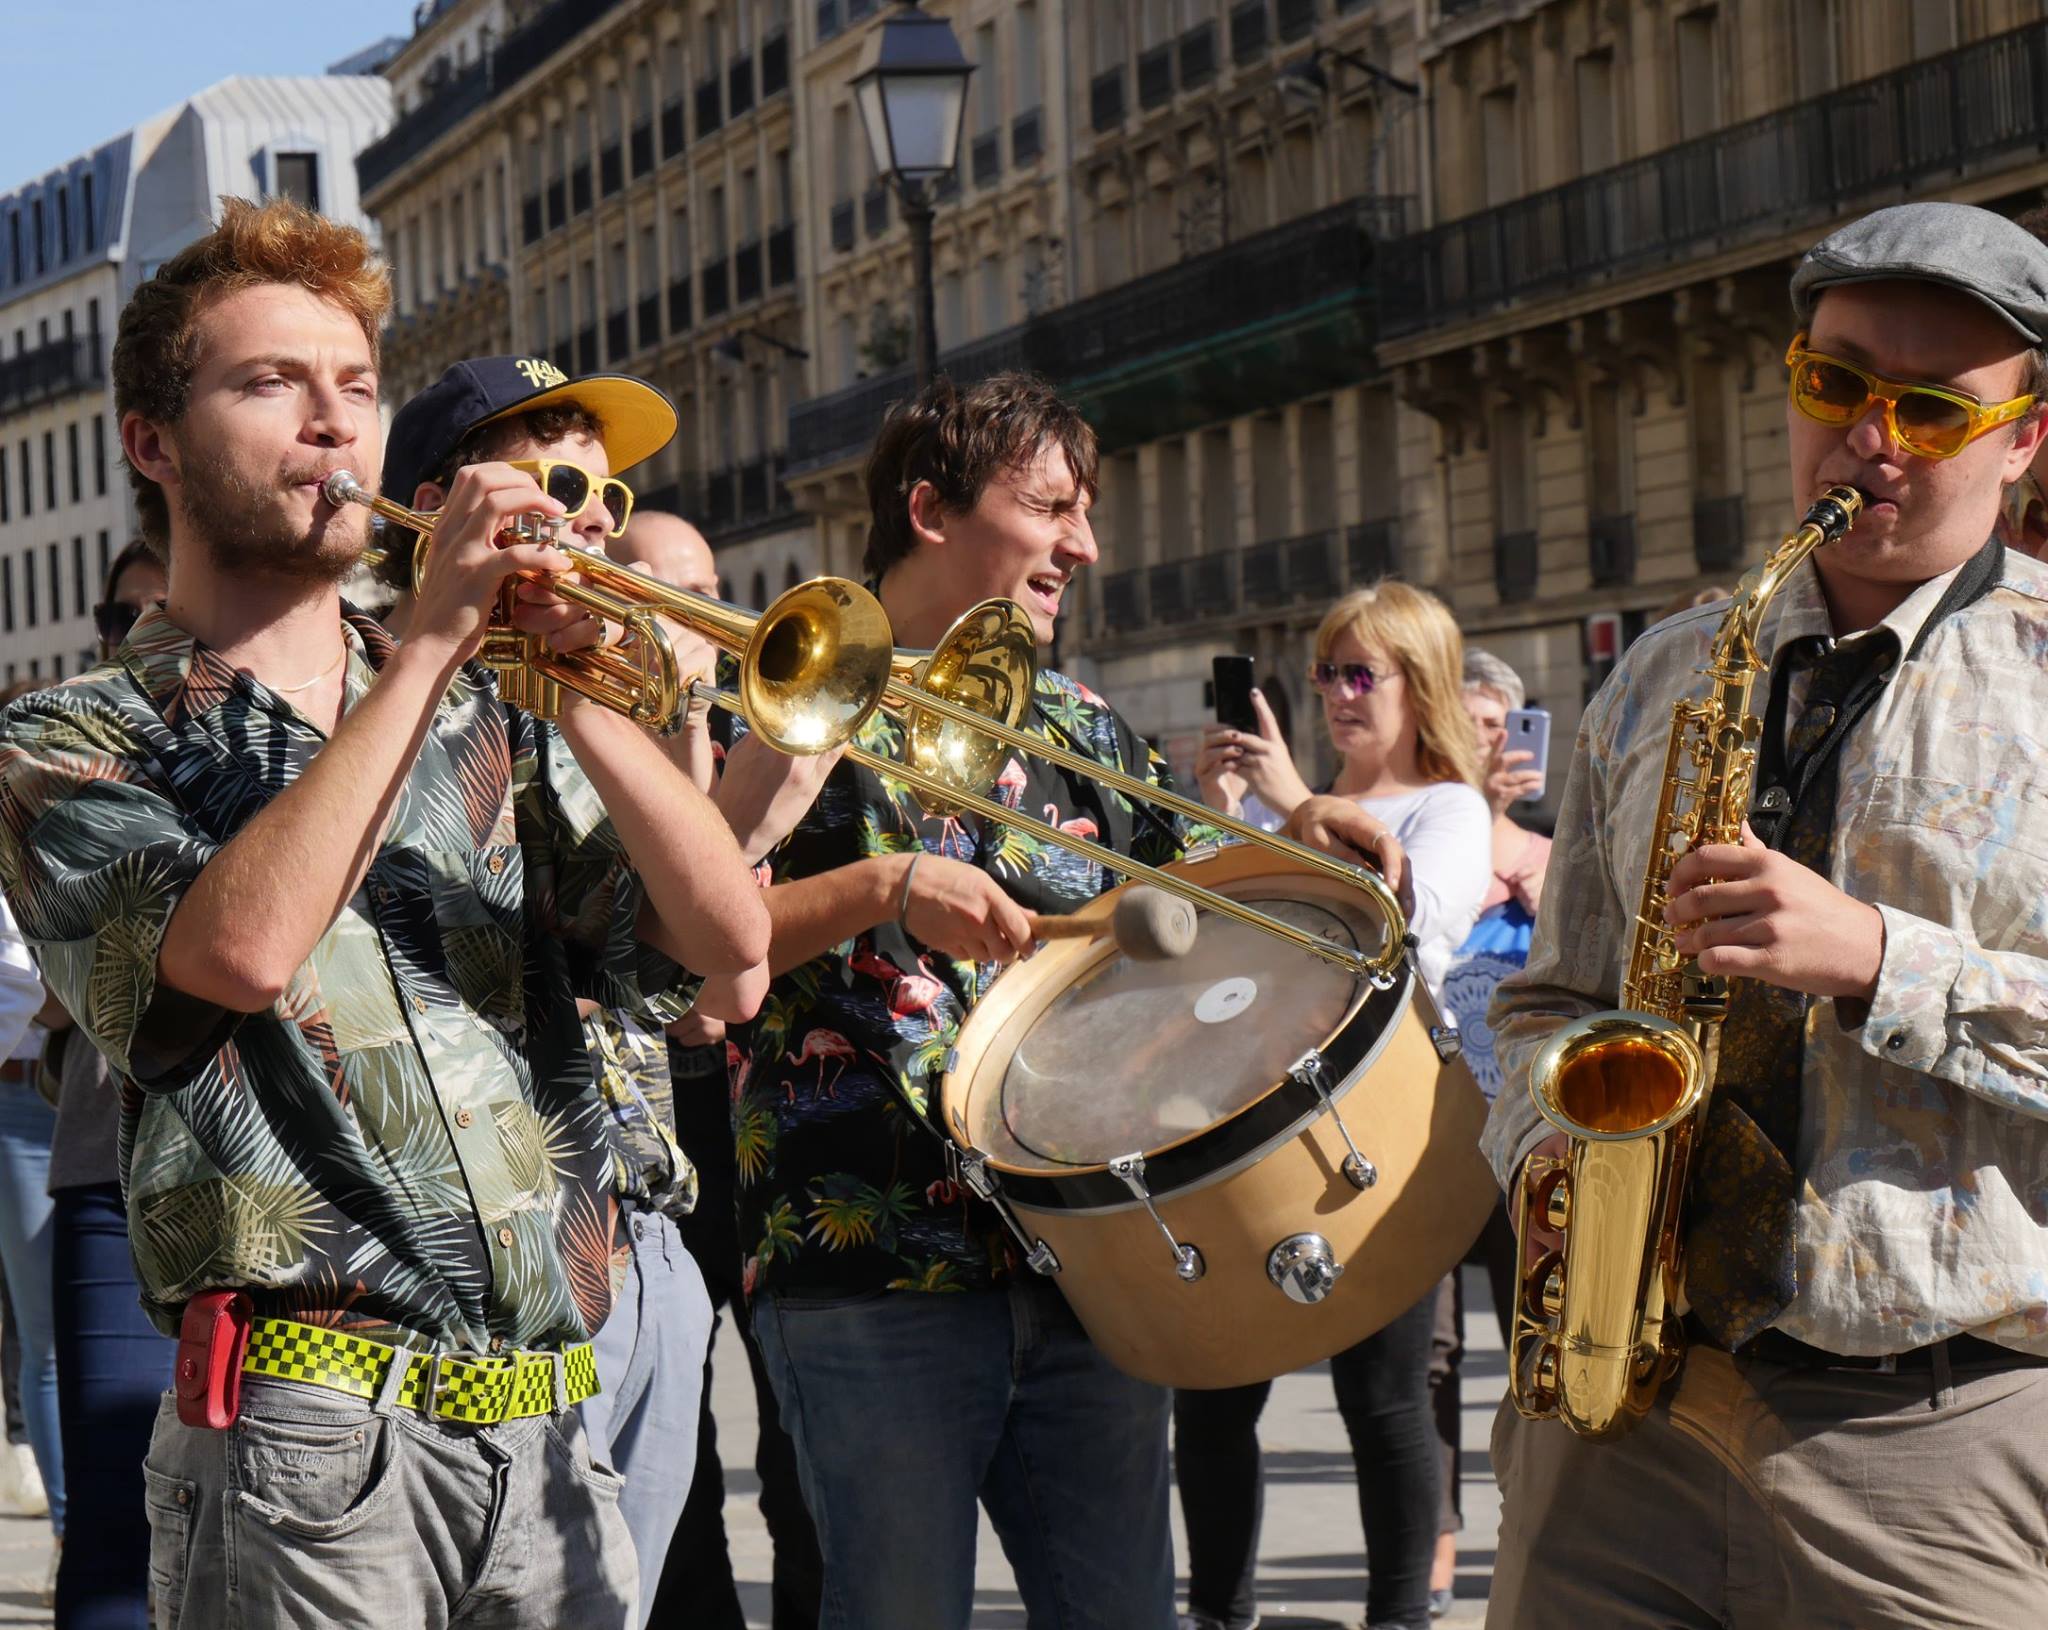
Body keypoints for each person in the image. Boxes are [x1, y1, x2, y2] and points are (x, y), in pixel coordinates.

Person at [0, 198, 770, 1630]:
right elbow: (234, 952)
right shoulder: (75, 735)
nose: (331, 426)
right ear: (149, 443)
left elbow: (729, 946)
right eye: (270, 383)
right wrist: (423, 651)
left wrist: (587, 692)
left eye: (355, 387)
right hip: (307, 1442)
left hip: (548, 1428)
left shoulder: (490, 701)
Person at [1485, 200, 2048, 1629]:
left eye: (1932, 407)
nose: (1873, 437)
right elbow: (1545, 1000)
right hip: (1620, 1412)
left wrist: (1878, 958)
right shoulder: (1669, 667)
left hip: (1935, 1438)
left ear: (2027, 437)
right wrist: (1554, 1155)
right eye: (1836, 383)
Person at [730, 370, 1243, 1630]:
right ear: (929, 510)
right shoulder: (776, 694)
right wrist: (877, 885)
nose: (1085, 543)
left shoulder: (1086, 726)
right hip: (872, 1269)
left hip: (1087, 1260)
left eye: (1086, 510)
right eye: (1052, 506)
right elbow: (698, 956)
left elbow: (1193, 952)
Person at [372, 360, 754, 1630]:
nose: (600, 518)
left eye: (611, 487)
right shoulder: (371, 697)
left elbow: (717, 957)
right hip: (483, 1286)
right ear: (440, 502)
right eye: (567, 481)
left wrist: (643, 702)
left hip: (635, 1228)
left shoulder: (563, 703)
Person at [1182, 583, 1491, 1630]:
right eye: (1325, 673)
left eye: (1362, 673)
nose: (1337, 696)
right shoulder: (1282, 804)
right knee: (1216, 1384)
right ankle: (1219, 1612)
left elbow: (1401, 927)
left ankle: (1398, 1618)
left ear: (1422, 683)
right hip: (1248, 1119)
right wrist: (1224, 819)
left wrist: (1291, 805)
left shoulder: (1449, 808)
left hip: (1380, 1122)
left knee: (1386, 1396)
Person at [614, 510, 825, 1630]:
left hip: (761, 1102)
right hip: (653, 1102)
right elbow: (680, 903)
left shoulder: (766, 718)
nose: (695, 609)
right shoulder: (584, 720)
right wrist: (676, 713)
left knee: (794, 1425)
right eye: (658, 586)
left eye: (704, 586)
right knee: (669, 1413)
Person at [32, 539, 179, 1630]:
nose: (139, 636)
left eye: (165, 612)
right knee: (112, 1536)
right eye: (122, 616)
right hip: (109, 1171)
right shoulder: (68, 735)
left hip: (297, 1200)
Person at [1418, 649, 1555, 1616]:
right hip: (1424, 1140)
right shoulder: (1428, 845)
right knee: (1427, 1360)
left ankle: (1529, 1523)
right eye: (1469, 725)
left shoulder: (1549, 852)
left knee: (1528, 1340)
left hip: (1521, 1143)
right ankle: (1434, 1540)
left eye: (1501, 727)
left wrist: (1537, 887)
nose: (1487, 742)